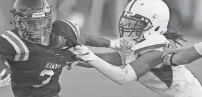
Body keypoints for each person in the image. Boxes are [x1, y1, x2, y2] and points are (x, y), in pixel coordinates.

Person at [0, 0, 116, 97]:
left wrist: (114, 44)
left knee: (98, 60)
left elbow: (88, 42)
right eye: (32, 24)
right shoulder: (13, 42)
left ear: (49, 19)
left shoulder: (61, 36)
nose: (38, 28)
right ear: (18, 22)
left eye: (42, 22)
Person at [69, 0, 202, 97]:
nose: (129, 26)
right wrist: (75, 58)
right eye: (128, 21)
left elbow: (123, 77)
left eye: (137, 23)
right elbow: (111, 58)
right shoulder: (140, 41)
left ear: (155, 25)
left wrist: (89, 56)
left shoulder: (156, 50)